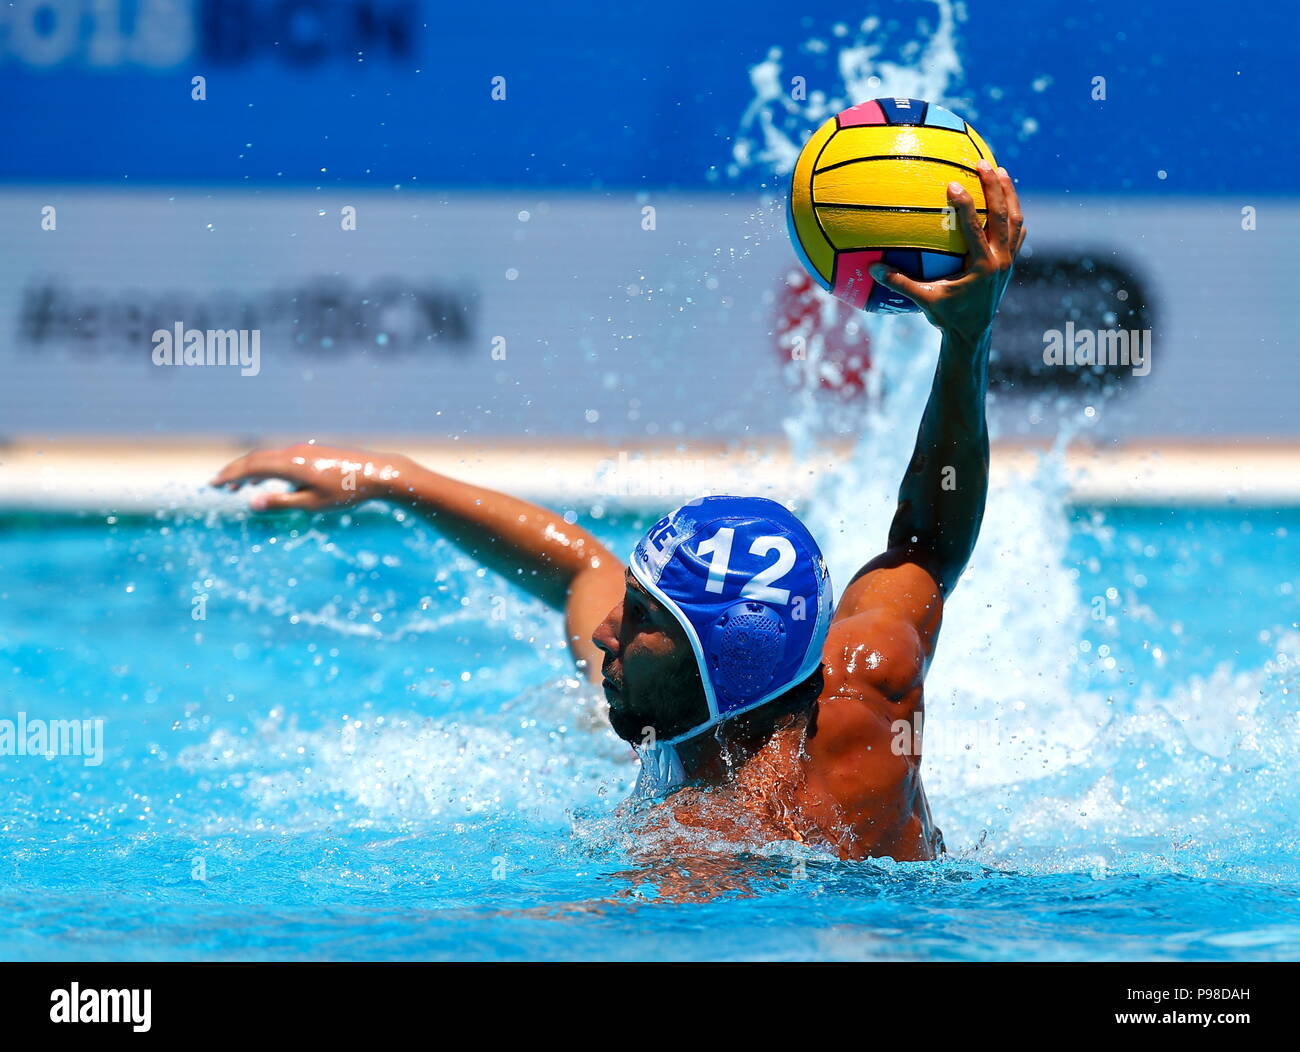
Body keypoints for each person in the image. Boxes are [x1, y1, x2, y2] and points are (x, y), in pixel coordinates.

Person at [211, 163, 1025, 863]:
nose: (606, 630)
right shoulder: (859, 675)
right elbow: (924, 540)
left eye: (638, 620)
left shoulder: (700, 843)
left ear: (718, 666)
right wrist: (389, 478)